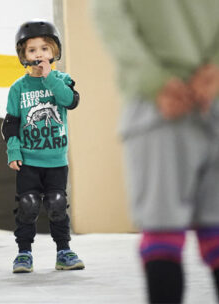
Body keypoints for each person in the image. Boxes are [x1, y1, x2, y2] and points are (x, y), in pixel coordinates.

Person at [92, 1, 219, 303]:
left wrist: (153, 80)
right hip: (212, 94)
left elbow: (110, 18)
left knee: (163, 233)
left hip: (158, 109)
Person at [1, 20, 84, 273]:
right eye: (32, 50)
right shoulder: (18, 88)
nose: (39, 54)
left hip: (56, 160)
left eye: (45, 48)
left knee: (57, 203)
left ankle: (64, 251)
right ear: (23, 56)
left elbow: (70, 101)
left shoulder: (62, 79)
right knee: (27, 205)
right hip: (29, 160)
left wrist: (50, 77)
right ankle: (24, 253)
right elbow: (11, 125)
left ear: (54, 52)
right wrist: (13, 151)